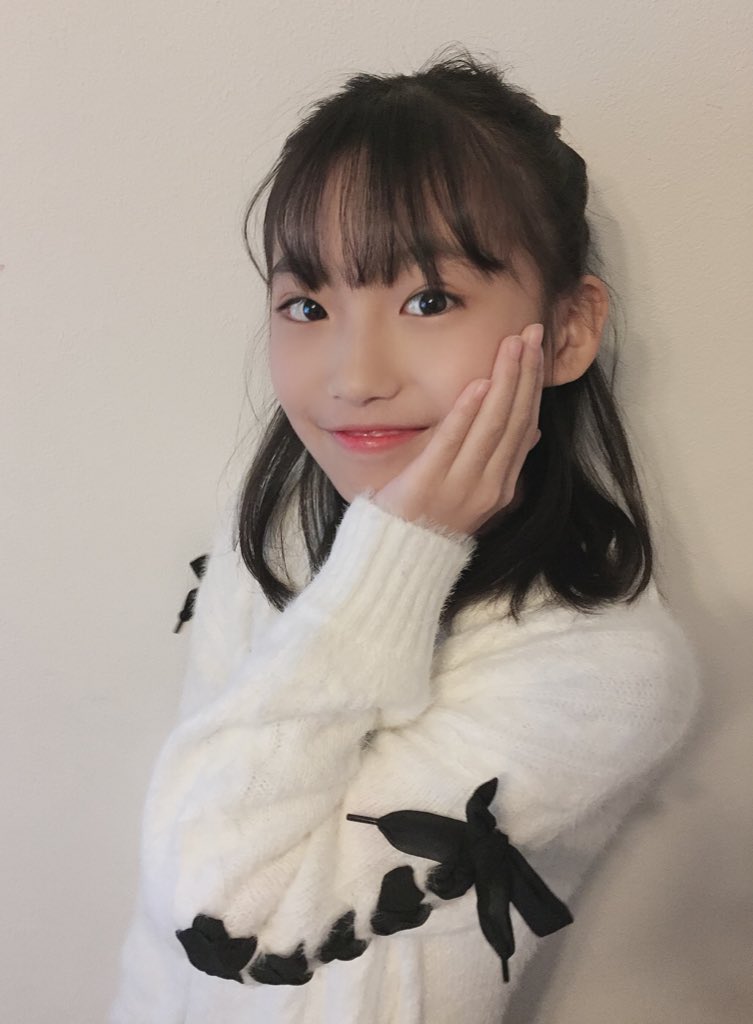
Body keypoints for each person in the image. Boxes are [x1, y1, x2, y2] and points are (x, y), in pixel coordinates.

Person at [108, 45, 701, 1024]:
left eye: (429, 300)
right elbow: (162, 933)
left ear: (567, 330)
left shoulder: (601, 670)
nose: (353, 375)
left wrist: (403, 549)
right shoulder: (275, 538)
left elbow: (224, 916)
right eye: (307, 305)